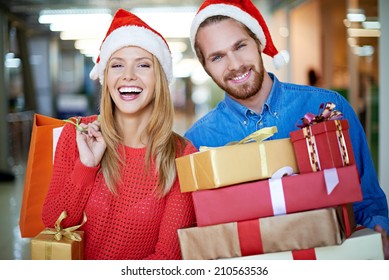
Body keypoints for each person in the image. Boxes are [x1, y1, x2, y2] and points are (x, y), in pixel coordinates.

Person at [184, 0, 389, 259]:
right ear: (205, 67)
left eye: (240, 46)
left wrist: (377, 239)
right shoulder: (198, 141)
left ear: (258, 42)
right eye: (217, 57)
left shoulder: (326, 106)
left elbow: (367, 199)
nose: (234, 64)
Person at [42, 8, 197, 260]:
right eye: (117, 65)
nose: (128, 75)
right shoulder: (78, 133)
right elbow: (53, 223)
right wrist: (86, 165)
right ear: (106, 76)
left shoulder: (182, 154)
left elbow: (168, 257)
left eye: (143, 65)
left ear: (159, 78)